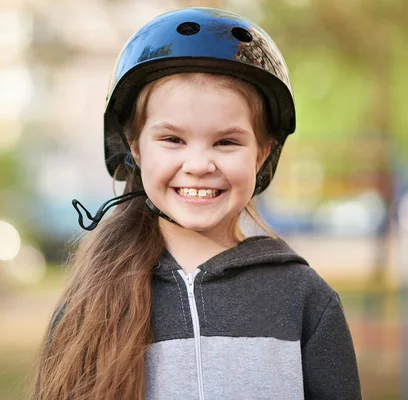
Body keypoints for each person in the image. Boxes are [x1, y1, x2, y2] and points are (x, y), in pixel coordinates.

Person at [32, 7, 361, 400]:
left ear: (261, 154)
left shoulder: (305, 299)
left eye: (226, 142)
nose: (200, 165)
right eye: (173, 140)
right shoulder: (89, 303)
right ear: (135, 148)